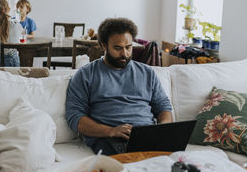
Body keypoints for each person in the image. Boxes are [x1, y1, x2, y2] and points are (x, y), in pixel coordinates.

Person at [66, 18, 173, 155]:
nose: (124, 53)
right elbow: (74, 116)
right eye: (117, 48)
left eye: (128, 47)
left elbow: (163, 106)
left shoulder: (147, 73)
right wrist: (110, 131)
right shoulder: (86, 74)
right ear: (104, 46)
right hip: (108, 138)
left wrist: (163, 130)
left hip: (146, 136)